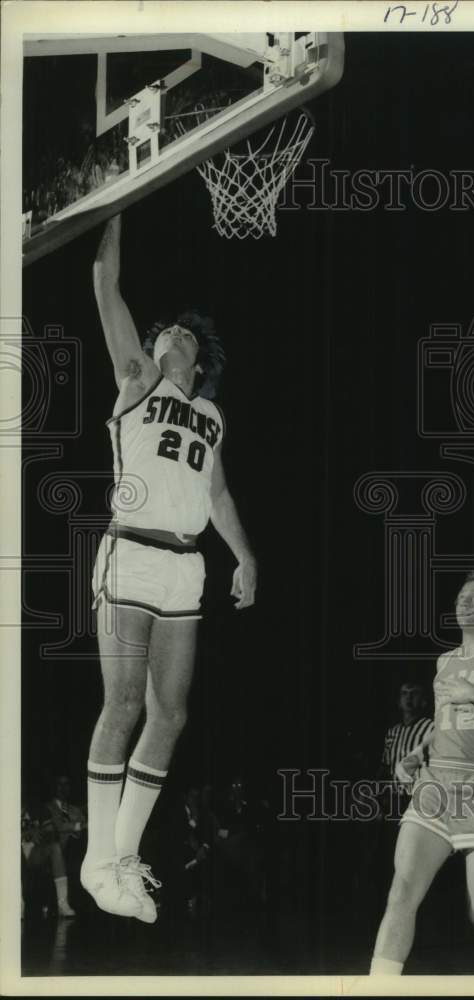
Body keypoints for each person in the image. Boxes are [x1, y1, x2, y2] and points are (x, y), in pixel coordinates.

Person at [81, 214, 257, 924]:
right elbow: (103, 280)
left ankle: (119, 856)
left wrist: (245, 556)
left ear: (198, 356)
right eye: (165, 332)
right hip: (131, 553)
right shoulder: (136, 382)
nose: (172, 335)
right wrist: (122, 206)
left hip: (186, 568)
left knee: (171, 714)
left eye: (184, 334)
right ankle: (98, 858)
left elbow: (215, 492)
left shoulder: (210, 414)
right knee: (122, 704)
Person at [369, 570, 474, 976]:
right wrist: (414, 754)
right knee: (402, 893)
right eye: (460, 596)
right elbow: (445, 724)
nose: (462, 602)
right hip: (436, 785)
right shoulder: (443, 662)